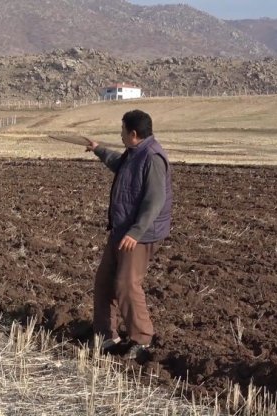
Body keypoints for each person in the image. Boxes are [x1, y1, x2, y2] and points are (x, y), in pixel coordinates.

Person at [85, 109, 173, 360]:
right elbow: (120, 166)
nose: (120, 135)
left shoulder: (153, 158)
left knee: (126, 284)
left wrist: (136, 232)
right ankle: (105, 336)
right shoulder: (135, 152)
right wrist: (99, 150)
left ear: (133, 134)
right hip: (121, 229)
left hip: (139, 234)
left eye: (122, 130)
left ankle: (142, 339)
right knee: (104, 282)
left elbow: (154, 201)